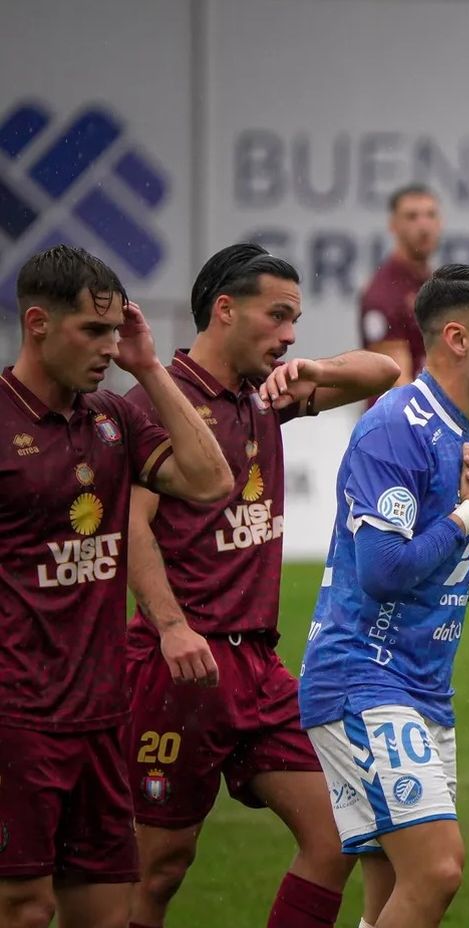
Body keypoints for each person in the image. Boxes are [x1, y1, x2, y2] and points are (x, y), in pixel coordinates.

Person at [122, 244, 400, 928]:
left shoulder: (265, 396)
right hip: (177, 668)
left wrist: (316, 369)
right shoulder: (162, 400)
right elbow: (133, 529)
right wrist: (172, 625)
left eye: (296, 320)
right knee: (159, 867)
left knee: (338, 834)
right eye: (278, 317)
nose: (290, 334)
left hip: (258, 668)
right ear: (224, 310)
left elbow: (386, 371)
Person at [298, 263, 469, 928]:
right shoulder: (396, 424)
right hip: (363, 680)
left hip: (423, 689)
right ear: (458, 338)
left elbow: (461, 582)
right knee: (437, 869)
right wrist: (467, 515)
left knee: (395, 892)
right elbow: (384, 570)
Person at [0, 245, 230, 928]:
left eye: (115, 331)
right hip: (16, 720)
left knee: (104, 913)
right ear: (37, 323)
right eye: (92, 332)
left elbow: (210, 481)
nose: (108, 347)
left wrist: (150, 368)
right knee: (25, 907)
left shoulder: (112, 417)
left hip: (102, 718)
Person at [359, 184, 442, 386]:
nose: (424, 226)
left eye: (431, 215)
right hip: (405, 416)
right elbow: (398, 384)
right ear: (393, 225)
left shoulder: (431, 282)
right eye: (412, 217)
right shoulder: (384, 295)